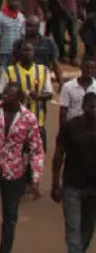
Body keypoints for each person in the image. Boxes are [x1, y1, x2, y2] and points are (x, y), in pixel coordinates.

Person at [0, 81, 44, 253]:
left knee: (10, 218)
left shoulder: (29, 118)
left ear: (19, 98)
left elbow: (36, 150)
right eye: (4, 93)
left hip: (14, 174)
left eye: (10, 95)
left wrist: (35, 179)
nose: (5, 97)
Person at [52, 91, 96, 253]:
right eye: (92, 107)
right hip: (72, 186)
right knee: (73, 227)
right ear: (84, 107)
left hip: (94, 188)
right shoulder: (70, 126)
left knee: (88, 228)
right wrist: (55, 183)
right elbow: (58, 155)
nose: (95, 110)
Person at [59, 55, 96, 126]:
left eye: (93, 68)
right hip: (73, 128)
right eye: (87, 67)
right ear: (81, 67)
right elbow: (63, 111)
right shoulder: (68, 86)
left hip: (92, 128)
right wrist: (62, 130)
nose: (89, 70)